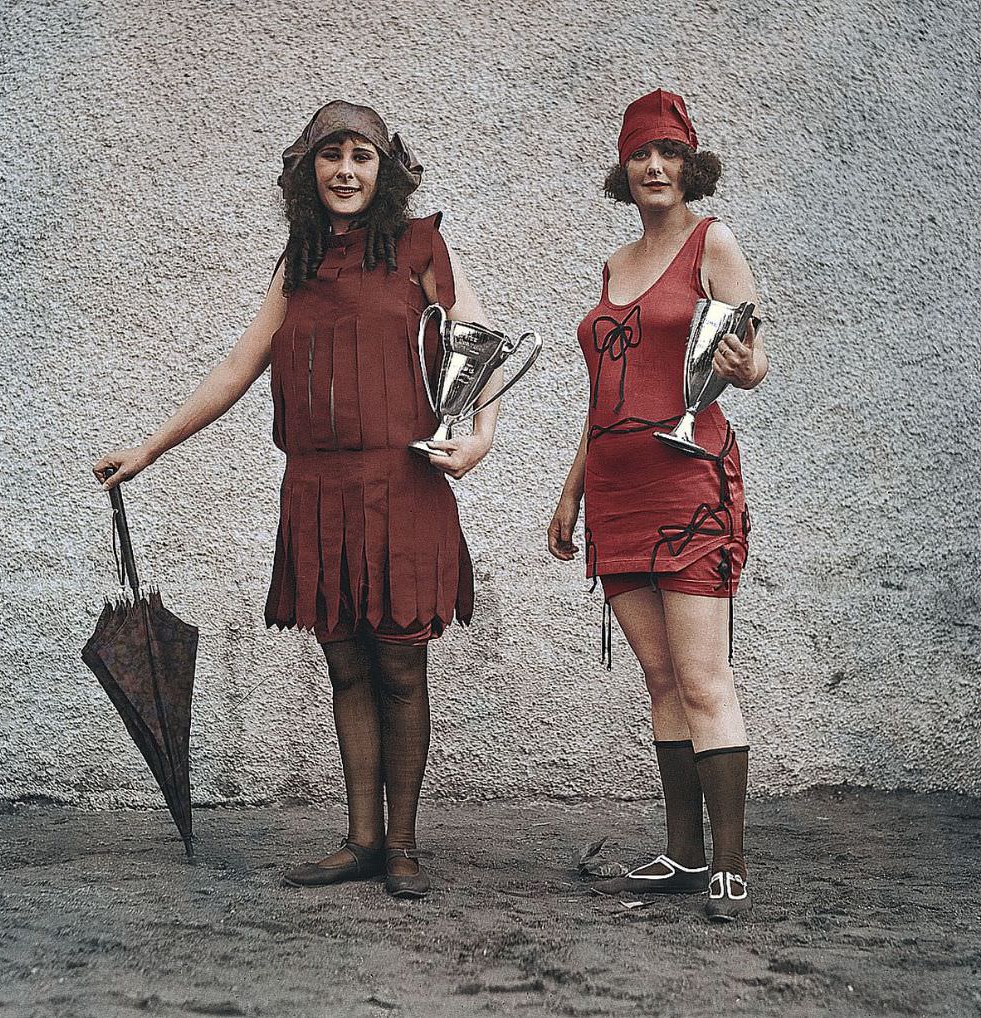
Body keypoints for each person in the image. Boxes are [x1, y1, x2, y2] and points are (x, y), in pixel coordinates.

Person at [94, 100, 502, 900]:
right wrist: (149, 446)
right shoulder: (299, 259)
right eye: (330, 156)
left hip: (404, 485)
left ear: (385, 171)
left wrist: (480, 439)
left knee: (400, 667)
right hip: (318, 490)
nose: (344, 171)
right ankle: (360, 839)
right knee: (345, 663)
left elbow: (479, 341)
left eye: (361, 156)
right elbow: (237, 368)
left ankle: (405, 845)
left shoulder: (420, 246)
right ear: (306, 170)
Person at [547, 89, 768, 921]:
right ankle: (681, 856)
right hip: (615, 489)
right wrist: (570, 492)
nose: (654, 166)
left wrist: (747, 370)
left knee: (705, 676)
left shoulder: (713, 242)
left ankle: (729, 866)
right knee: (660, 675)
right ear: (623, 168)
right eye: (641, 153)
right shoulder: (613, 264)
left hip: (688, 484)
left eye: (669, 153)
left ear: (690, 165)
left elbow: (752, 356)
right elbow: (602, 394)